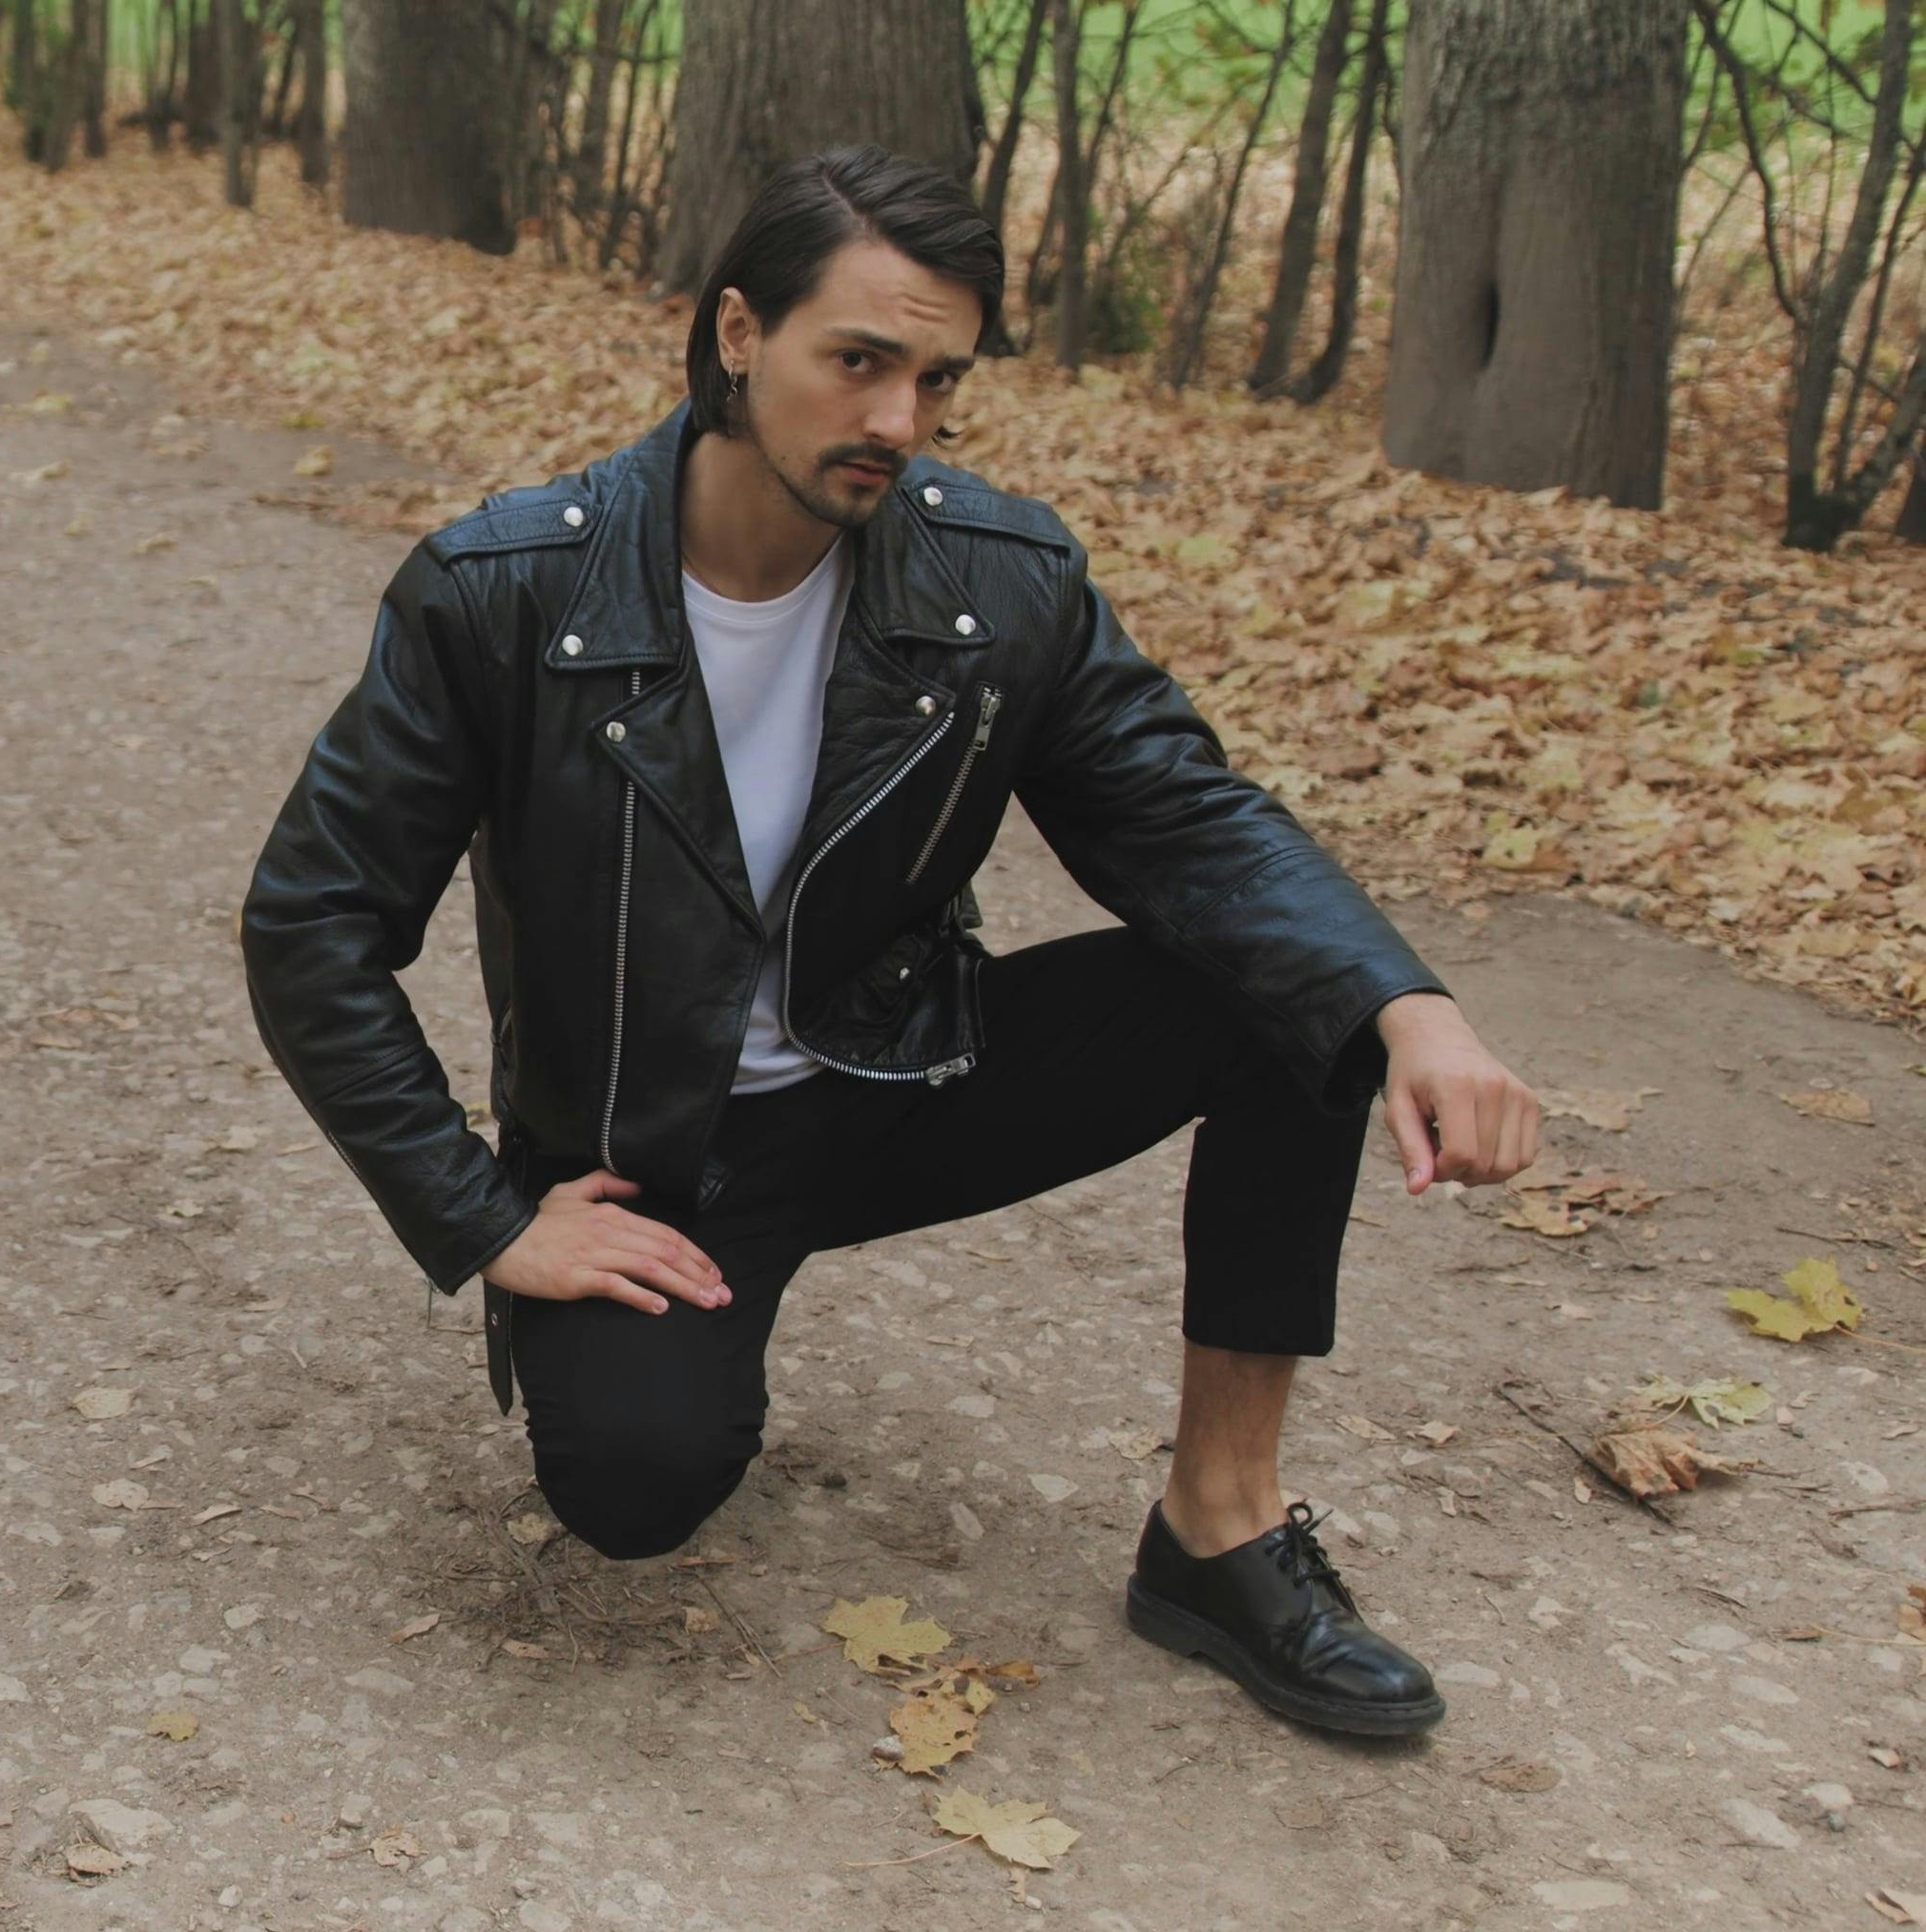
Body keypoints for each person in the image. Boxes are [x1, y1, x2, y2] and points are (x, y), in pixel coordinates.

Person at [235, 144, 1539, 1738]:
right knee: (634, 1485)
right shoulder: (507, 589)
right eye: (857, 361)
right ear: (737, 332)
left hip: (899, 1074)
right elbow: (311, 919)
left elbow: (1187, 820)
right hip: (656, 1162)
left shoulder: (998, 580)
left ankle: (1220, 1528)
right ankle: (681, 1339)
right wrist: (486, 1216)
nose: (899, 420)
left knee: (1296, 998)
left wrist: (1407, 1002)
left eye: (937, 380)